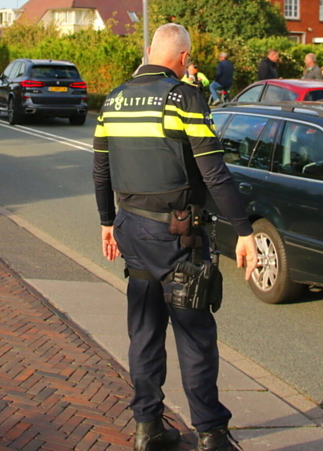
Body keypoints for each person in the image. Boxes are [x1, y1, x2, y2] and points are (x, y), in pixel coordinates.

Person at [94, 23, 258, 451]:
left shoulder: (114, 99)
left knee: (144, 332)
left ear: (150, 51)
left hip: (131, 229)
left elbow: (100, 168)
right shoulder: (184, 96)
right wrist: (244, 230)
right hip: (177, 235)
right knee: (194, 334)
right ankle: (210, 433)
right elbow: (214, 171)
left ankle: (147, 428)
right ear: (184, 59)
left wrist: (107, 222)